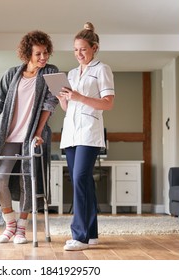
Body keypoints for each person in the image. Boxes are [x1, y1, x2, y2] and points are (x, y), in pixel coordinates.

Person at [0, 30, 59, 244]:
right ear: (27, 54)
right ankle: (9, 224)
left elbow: (50, 104)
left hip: (31, 137)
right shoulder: (12, 74)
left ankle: (22, 229)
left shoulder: (51, 72)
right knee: (0, 178)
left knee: (28, 182)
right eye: (38, 54)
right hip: (8, 137)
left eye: (46, 53)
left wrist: (38, 133)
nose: (43, 58)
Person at [57, 22, 115, 251]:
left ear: (94, 48)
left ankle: (79, 236)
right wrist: (63, 98)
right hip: (71, 133)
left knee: (80, 178)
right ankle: (91, 234)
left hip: (89, 133)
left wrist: (79, 97)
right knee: (84, 182)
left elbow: (108, 103)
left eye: (83, 49)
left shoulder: (102, 69)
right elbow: (68, 106)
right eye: (75, 50)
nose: (79, 54)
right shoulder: (71, 73)